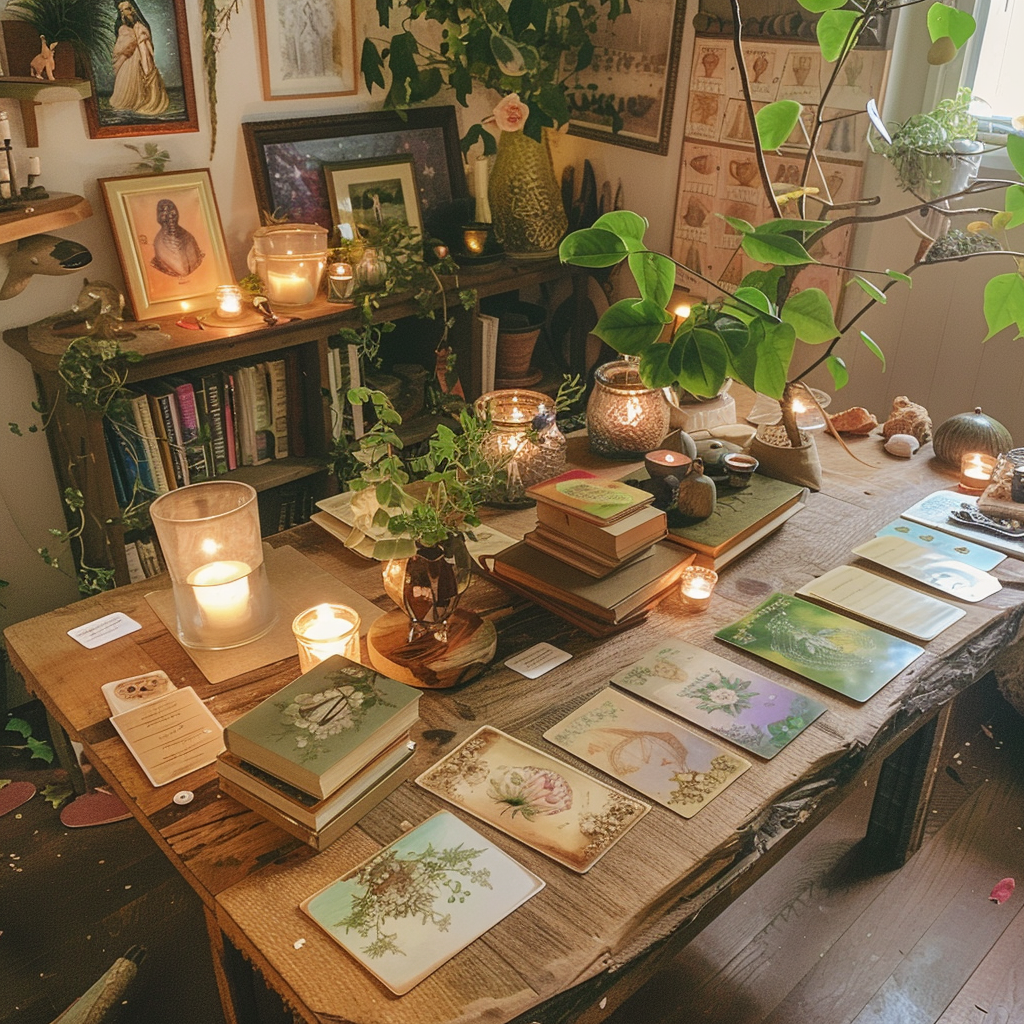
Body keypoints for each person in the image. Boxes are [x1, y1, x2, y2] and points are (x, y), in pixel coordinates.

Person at [110, 1, 169, 116]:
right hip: (129, 60)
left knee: (142, 80)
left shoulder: (139, 27)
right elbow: (121, 47)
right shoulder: (123, 27)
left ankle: (144, 99)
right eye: (121, 11)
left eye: (126, 9)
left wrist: (146, 67)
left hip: (140, 58)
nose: (124, 13)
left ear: (132, 9)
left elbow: (145, 48)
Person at [150, 199, 204, 279]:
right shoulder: (159, 243)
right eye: (165, 212)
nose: (170, 216)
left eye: (172, 211)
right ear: (160, 217)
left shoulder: (189, 238)